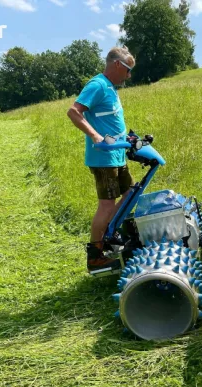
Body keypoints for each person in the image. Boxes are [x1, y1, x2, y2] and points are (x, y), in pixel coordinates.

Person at [66, 46, 136, 271]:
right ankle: (95, 257)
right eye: (127, 70)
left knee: (130, 193)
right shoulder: (97, 85)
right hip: (103, 159)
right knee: (106, 206)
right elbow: (73, 112)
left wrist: (129, 137)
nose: (129, 76)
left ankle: (111, 232)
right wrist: (95, 135)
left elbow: (110, 120)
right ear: (117, 65)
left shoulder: (111, 88)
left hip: (118, 155)